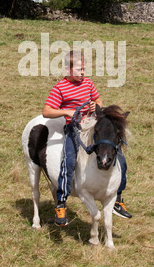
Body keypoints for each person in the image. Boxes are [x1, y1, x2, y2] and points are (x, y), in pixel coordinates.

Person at [42, 50, 132, 226]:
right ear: (68, 69)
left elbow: (98, 101)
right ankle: (61, 203)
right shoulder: (60, 88)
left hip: (92, 128)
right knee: (68, 161)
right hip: (74, 129)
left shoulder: (88, 83)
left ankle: (118, 198)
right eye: (79, 69)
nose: (83, 73)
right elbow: (46, 111)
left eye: (84, 69)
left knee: (119, 158)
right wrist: (65, 111)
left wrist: (95, 105)